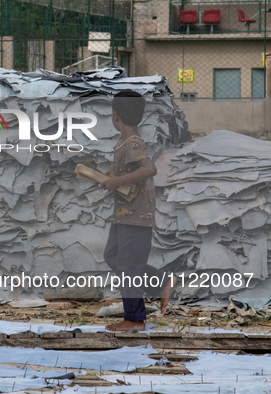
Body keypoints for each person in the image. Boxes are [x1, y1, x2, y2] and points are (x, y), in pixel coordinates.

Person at [98, 89, 176, 332]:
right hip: (124, 214)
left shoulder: (132, 143)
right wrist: (109, 177)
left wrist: (117, 182)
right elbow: (120, 172)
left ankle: (135, 319)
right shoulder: (124, 142)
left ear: (115, 116)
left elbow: (149, 169)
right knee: (113, 256)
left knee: (129, 268)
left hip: (135, 216)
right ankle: (161, 280)